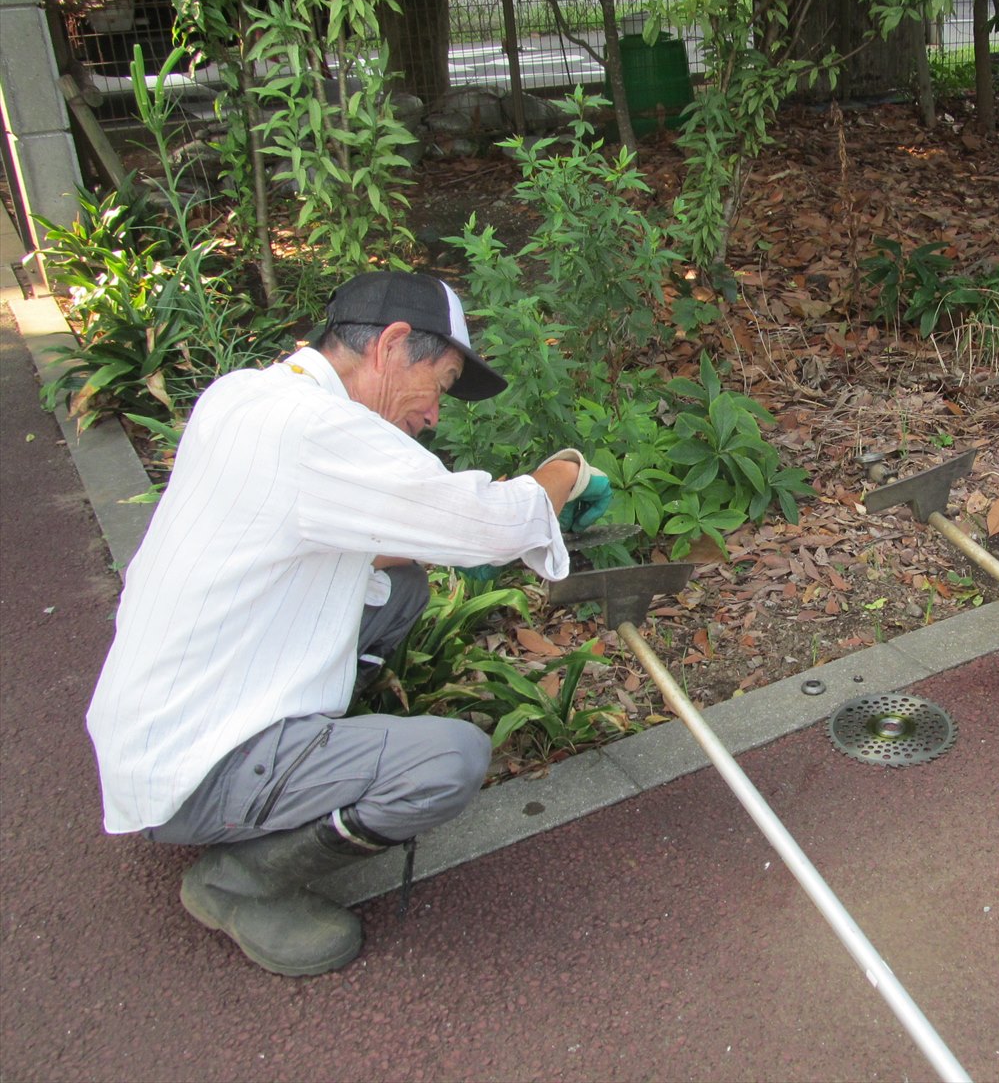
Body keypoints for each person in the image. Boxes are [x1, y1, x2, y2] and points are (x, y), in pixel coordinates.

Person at [86, 270, 612, 977]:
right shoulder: (319, 430)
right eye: (444, 382)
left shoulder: (248, 395)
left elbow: (323, 531)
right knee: (447, 763)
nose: (435, 414)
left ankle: (302, 769)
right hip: (197, 768)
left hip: (154, 730)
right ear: (394, 346)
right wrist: (564, 474)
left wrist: (444, 547)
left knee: (398, 588)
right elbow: (491, 522)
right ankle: (241, 881)